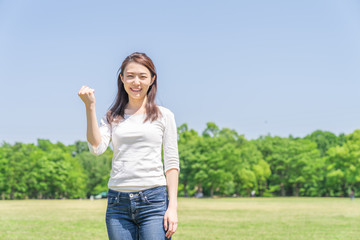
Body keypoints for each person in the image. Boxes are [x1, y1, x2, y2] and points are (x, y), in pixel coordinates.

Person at [78, 52, 180, 240]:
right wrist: (90, 107)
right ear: (122, 79)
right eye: (130, 76)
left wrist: (172, 207)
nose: (136, 82)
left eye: (142, 76)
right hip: (118, 204)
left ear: (152, 79)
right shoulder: (112, 116)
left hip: (154, 201)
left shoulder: (164, 116)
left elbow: (172, 163)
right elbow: (96, 147)